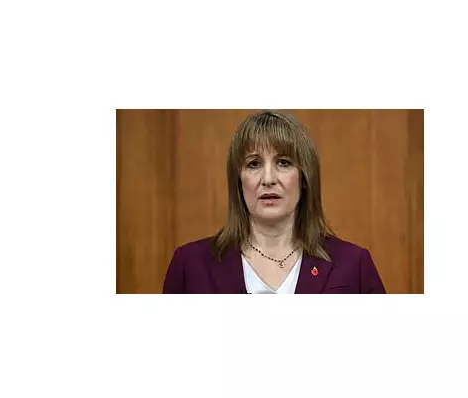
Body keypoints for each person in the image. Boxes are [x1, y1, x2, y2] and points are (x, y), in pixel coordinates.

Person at [163, 110, 386, 294]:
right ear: (239, 181)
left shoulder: (353, 265)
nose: (268, 179)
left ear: (304, 178)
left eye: (283, 162)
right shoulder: (190, 266)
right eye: (254, 164)